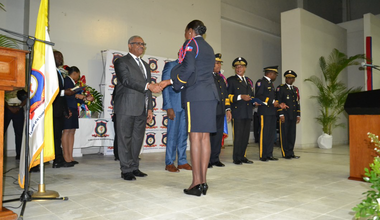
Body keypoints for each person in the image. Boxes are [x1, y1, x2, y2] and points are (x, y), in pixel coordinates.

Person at [160, 20, 219, 196]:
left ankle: (195, 182)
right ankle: (203, 182)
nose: (185, 35)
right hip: (210, 95)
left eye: (186, 32)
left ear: (191, 31)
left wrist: (172, 82)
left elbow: (189, 68)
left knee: (194, 138)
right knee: (204, 138)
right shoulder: (209, 47)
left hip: (196, 95)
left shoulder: (191, 44)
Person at [114, 35, 161, 181]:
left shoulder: (146, 65)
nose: (141, 46)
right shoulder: (121, 61)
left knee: (137, 139)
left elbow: (148, 90)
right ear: (129, 46)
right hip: (126, 106)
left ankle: (134, 167)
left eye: (143, 44)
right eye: (138, 43)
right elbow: (126, 80)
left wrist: (150, 108)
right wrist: (148, 85)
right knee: (125, 139)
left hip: (142, 107)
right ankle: (126, 169)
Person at [162, 59, 192, 172]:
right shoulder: (171, 65)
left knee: (183, 135)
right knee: (172, 135)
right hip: (174, 106)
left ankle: (182, 161)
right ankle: (169, 162)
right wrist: (168, 106)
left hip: (186, 105)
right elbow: (165, 86)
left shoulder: (189, 67)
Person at [62, 66, 94, 165]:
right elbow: (65, 95)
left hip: (73, 108)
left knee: (72, 132)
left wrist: (85, 98)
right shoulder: (66, 80)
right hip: (68, 109)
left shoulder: (72, 83)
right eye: (78, 75)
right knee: (66, 131)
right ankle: (66, 157)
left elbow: (75, 97)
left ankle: (70, 156)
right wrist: (77, 95)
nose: (78, 77)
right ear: (75, 73)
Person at [255, 66, 288, 162]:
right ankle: (263, 155)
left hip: (272, 112)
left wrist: (278, 104)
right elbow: (259, 96)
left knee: (270, 134)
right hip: (264, 112)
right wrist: (272, 102)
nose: (276, 76)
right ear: (270, 73)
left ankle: (269, 154)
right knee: (264, 134)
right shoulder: (261, 82)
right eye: (275, 74)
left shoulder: (270, 83)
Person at [227, 57, 255, 165]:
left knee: (245, 136)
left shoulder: (249, 81)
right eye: (237, 67)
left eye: (241, 67)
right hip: (238, 112)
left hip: (248, 112)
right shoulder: (231, 80)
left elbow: (252, 95)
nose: (239, 68)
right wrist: (240, 97)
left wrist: (254, 101)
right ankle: (237, 158)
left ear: (245, 68)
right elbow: (228, 96)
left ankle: (243, 156)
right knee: (238, 136)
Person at [52, 51, 75, 168]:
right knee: (55, 136)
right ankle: (57, 160)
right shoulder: (50, 71)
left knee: (57, 135)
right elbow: (50, 90)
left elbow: (61, 95)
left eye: (62, 56)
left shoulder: (59, 72)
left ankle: (59, 159)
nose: (61, 58)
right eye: (58, 56)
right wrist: (64, 92)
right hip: (52, 109)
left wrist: (66, 109)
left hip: (59, 109)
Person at [209, 53, 231, 168]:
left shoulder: (221, 78)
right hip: (210, 110)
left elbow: (225, 95)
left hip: (220, 111)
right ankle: (206, 159)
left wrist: (227, 109)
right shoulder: (207, 77)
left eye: (219, 63)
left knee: (217, 136)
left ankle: (215, 158)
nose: (219, 65)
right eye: (217, 63)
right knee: (208, 137)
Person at [276, 70, 301, 159]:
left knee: (292, 134)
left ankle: (291, 152)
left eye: (290, 78)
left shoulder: (295, 89)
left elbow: (297, 103)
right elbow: (278, 101)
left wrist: (298, 115)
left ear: (294, 79)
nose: (288, 79)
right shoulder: (281, 88)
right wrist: (280, 114)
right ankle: (285, 153)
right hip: (285, 115)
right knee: (284, 134)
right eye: (287, 77)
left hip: (293, 115)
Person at [4, 89, 26, 161]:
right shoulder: (6, 82)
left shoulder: (22, 82)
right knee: (1, 132)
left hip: (18, 108)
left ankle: (19, 154)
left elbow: (27, 96)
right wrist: (9, 107)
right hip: (6, 108)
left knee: (19, 133)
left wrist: (20, 107)